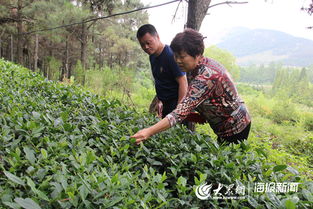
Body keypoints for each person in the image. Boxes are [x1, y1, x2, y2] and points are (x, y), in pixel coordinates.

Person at [132, 28, 251, 144]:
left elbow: (179, 112)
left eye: (182, 57)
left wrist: (148, 132)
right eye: (176, 56)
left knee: (227, 159)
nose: (177, 61)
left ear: (197, 55)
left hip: (236, 126)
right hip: (220, 125)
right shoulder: (191, 68)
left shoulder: (206, 76)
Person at [136, 24, 188, 118]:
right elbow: (160, 79)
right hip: (165, 104)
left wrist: (178, 111)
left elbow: (183, 82)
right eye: (142, 45)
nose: (146, 47)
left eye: (148, 42)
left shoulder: (170, 55)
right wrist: (159, 101)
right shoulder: (152, 56)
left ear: (157, 37)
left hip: (175, 102)